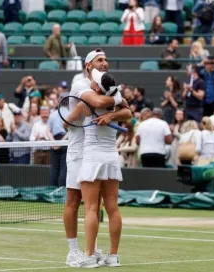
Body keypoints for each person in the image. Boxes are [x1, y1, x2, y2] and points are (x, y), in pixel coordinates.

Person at [63, 49, 129, 267]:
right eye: (100, 60)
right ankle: (74, 251)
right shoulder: (81, 85)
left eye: (107, 60)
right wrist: (116, 101)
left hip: (95, 153)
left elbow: (119, 109)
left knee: (95, 206)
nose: (105, 63)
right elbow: (103, 104)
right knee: (74, 202)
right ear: (88, 65)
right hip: (79, 151)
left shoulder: (105, 89)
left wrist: (111, 113)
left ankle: (91, 252)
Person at [48, 95, 68, 186]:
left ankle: (52, 190)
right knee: (64, 168)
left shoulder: (53, 114)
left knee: (54, 168)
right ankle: (62, 192)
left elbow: (47, 131)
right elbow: (71, 131)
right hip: (65, 142)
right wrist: (60, 143)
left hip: (56, 142)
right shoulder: (70, 113)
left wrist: (54, 142)